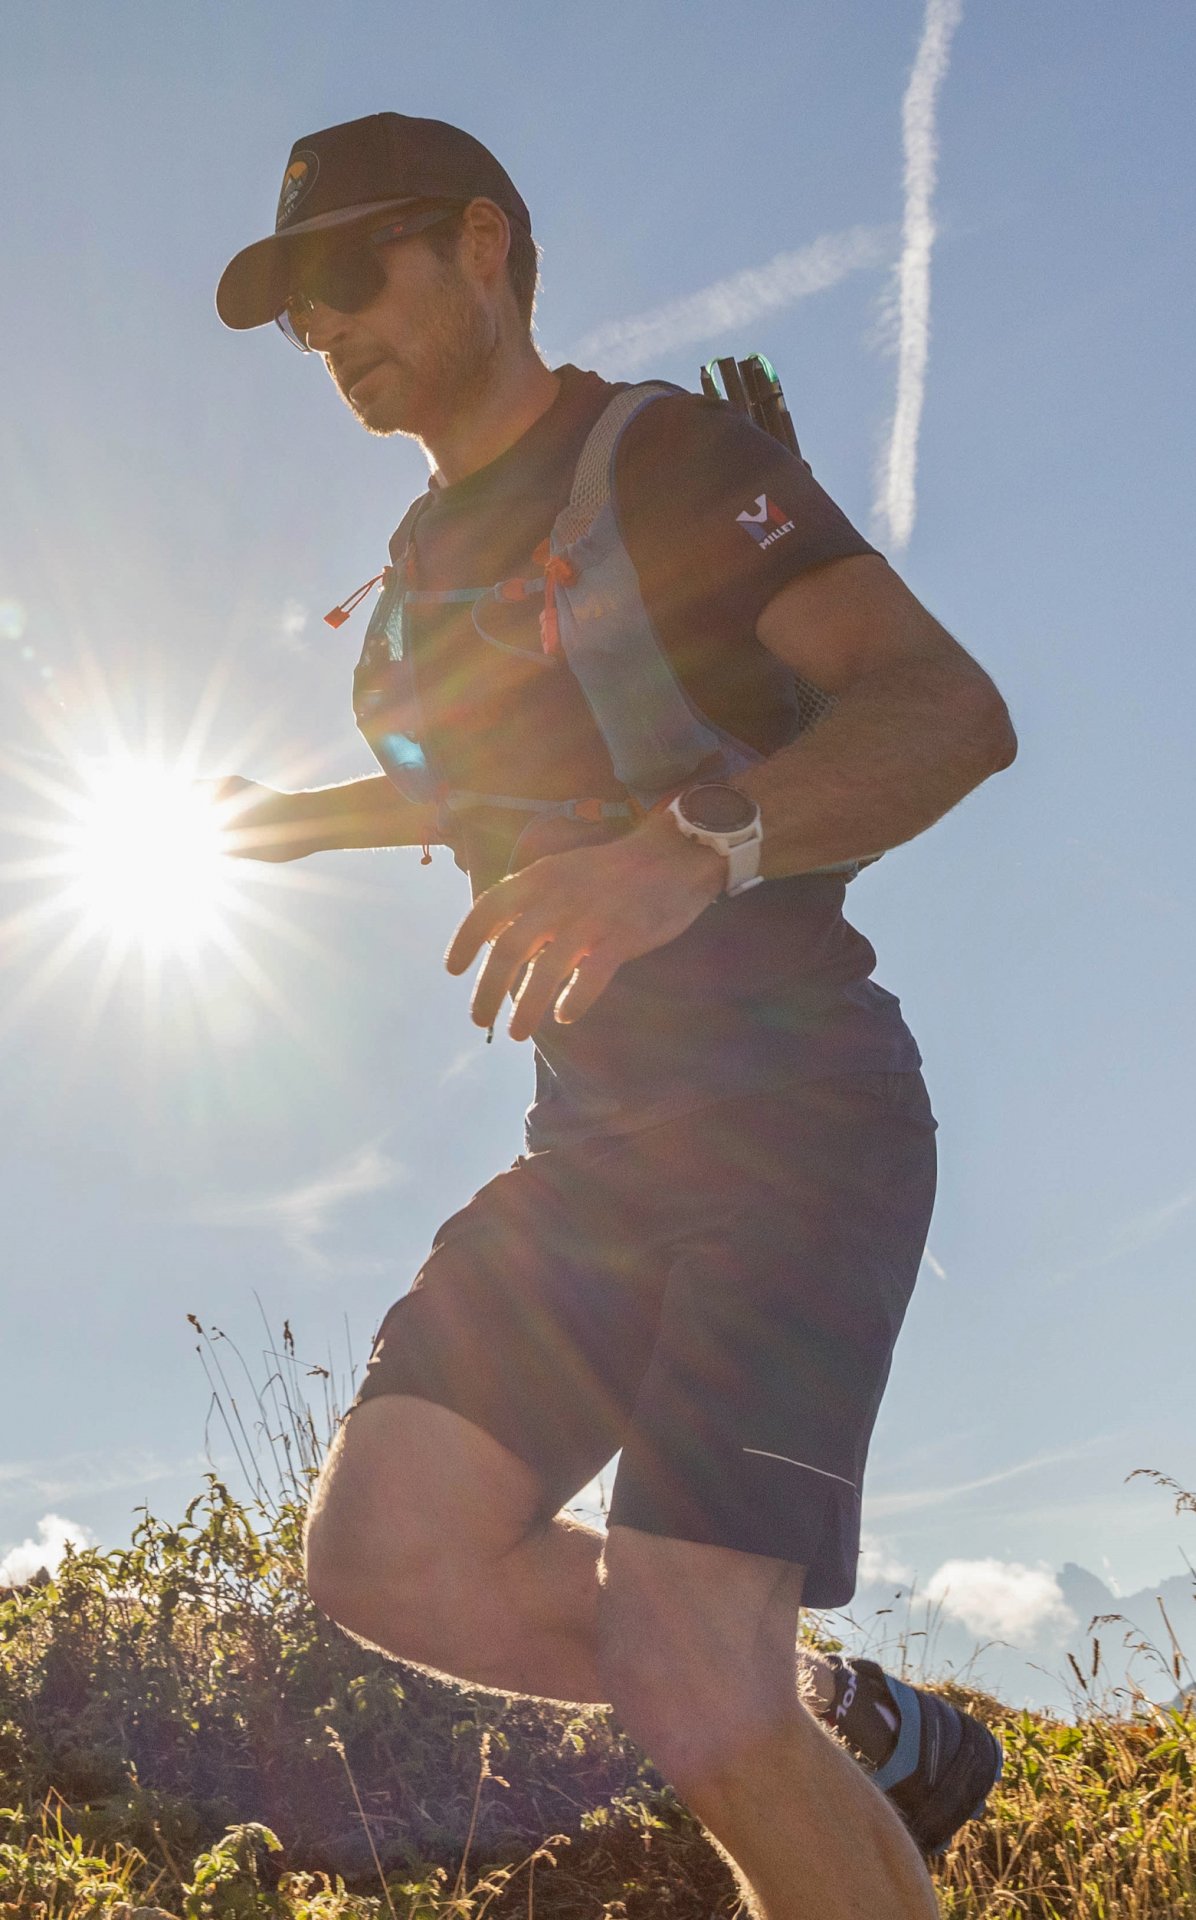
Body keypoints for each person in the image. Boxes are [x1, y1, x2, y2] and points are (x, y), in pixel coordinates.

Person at [213, 111, 1017, 1920]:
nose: (328, 327)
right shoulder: (411, 597)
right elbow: (483, 785)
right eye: (296, 310)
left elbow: (949, 711)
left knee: (699, 1690)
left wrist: (698, 849)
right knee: (386, 1556)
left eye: (355, 271)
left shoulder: (662, 460)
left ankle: (776, 1716)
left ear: (485, 245)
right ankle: (874, 1733)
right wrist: (285, 819)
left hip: (794, 1119)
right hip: (593, 1150)